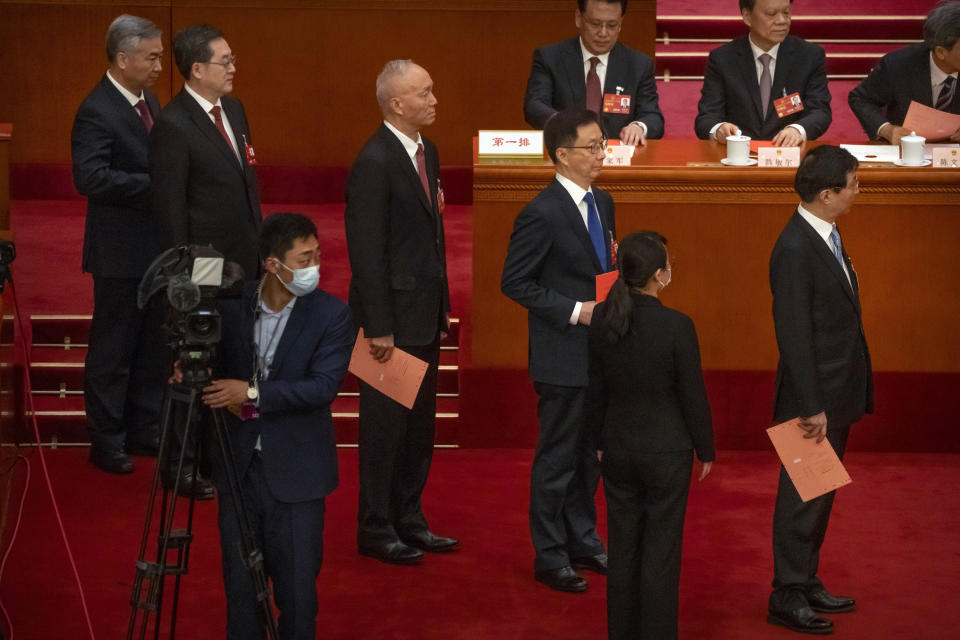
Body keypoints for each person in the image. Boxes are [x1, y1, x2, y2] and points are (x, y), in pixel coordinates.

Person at [201, 212, 353, 639]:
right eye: (304, 259)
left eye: (317, 256)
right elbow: (210, 367)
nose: (314, 268)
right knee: (240, 591)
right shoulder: (233, 304)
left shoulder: (332, 315)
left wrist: (250, 395)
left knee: (298, 593)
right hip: (239, 468)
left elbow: (321, 388)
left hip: (298, 476)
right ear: (272, 264)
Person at [344, 59, 458, 565]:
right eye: (425, 92)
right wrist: (379, 327)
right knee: (384, 430)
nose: (434, 100)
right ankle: (375, 527)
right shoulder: (374, 161)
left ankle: (409, 517)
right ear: (397, 103)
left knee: (419, 428)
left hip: (425, 313)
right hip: (389, 324)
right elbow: (366, 252)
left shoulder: (425, 151)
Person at [501, 108, 613, 593]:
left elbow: (603, 266)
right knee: (557, 458)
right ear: (562, 154)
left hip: (598, 354)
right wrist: (576, 310)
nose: (600, 153)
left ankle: (582, 539)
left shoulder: (603, 201)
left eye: (602, 144)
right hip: (561, 354)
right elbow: (515, 282)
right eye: (591, 147)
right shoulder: (540, 212)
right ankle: (550, 554)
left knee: (589, 455)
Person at [586, 231, 715, 640]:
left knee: (623, 550)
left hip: (619, 448)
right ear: (660, 274)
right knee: (661, 552)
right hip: (668, 451)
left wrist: (598, 443)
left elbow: (596, 390)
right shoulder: (677, 325)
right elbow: (692, 392)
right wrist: (706, 448)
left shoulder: (605, 321)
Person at [767, 145, 873, 635]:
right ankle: (786, 594)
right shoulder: (793, 249)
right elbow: (793, 334)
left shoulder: (826, 233)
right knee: (801, 499)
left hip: (836, 391)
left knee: (821, 491)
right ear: (828, 193)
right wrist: (812, 406)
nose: (858, 191)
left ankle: (805, 579)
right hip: (812, 400)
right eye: (853, 184)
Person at [71, 15, 166, 475]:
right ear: (123, 58)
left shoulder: (149, 99)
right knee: (114, 347)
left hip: (156, 248)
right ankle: (106, 438)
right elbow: (89, 178)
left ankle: (144, 427)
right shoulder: (97, 109)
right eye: (152, 57)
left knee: (152, 344)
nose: (159, 66)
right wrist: (155, 186)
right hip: (120, 251)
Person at [151, 23, 261, 280]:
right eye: (224, 62)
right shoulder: (172, 125)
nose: (233, 68)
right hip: (205, 263)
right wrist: (182, 270)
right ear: (197, 69)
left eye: (232, 59)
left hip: (248, 257)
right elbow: (170, 207)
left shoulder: (235, 109)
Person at [524, 0, 664, 146]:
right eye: (595, 24)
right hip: (568, 156)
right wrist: (563, 125)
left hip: (618, 159)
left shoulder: (639, 64)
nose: (603, 33)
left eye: (612, 25)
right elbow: (534, 105)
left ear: (621, 22)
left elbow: (653, 116)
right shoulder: (550, 58)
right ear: (579, 18)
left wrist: (639, 127)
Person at [695, 0, 831, 146]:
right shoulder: (723, 59)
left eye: (786, 13)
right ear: (747, 17)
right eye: (771, 14)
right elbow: (707, 117)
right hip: (737, 157)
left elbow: (820, 110)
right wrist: (719, 129)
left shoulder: (809, 56)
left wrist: (797, 130)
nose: (782, 21)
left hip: (788, 156)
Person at [848, 0, 960, 144]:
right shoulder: (898, 65)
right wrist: (887, 130)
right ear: (941, 52)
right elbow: (860, 99)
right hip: (907, 150)